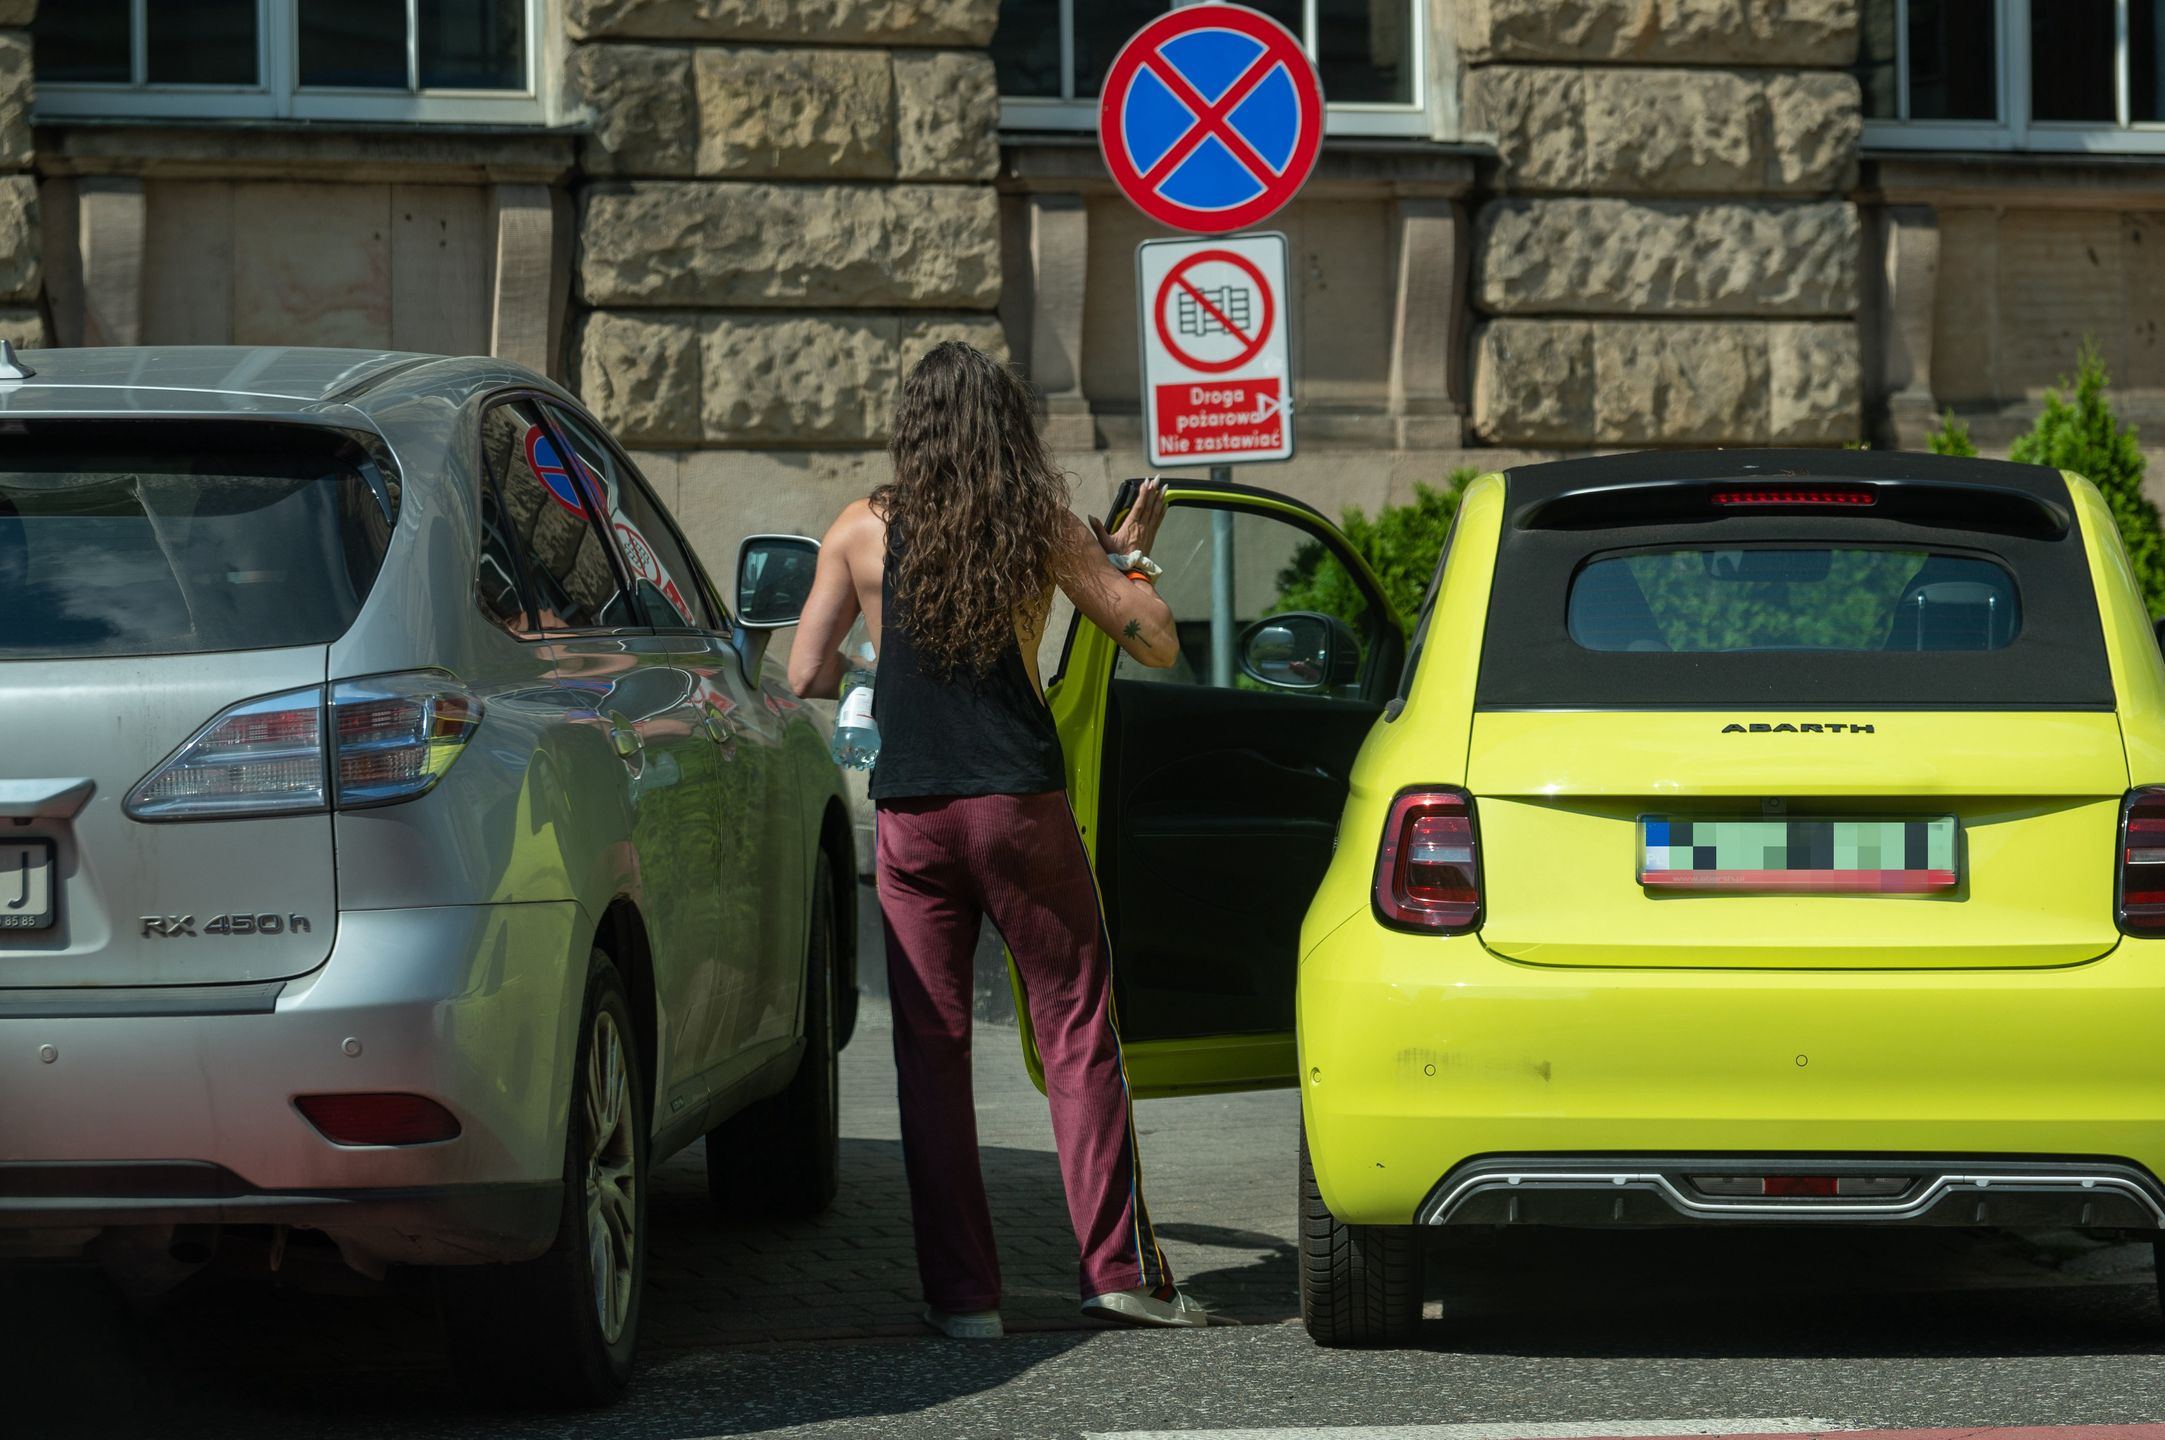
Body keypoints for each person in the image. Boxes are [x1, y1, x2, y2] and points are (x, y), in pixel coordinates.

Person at [787, 341, 1205, 1338]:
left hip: (910, 817)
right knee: (1075, 1033)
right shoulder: (1040, 527)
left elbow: (803, 672)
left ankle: (962, 1300)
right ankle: (1113, 1272)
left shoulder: (856, 529)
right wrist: (1119, 558)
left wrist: (878, 656)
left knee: (927, 1054)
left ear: (912, 427)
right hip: (1018, 804)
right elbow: (1153, 637)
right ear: (1005, 426)